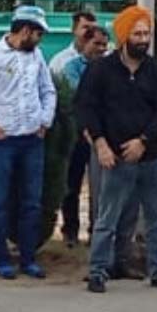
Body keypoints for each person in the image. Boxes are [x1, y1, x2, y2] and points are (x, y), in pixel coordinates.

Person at [78, 5, 157, 294]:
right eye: (137, 34)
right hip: (115, 156)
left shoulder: (156, 70)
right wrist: (100, 143)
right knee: (107, 217)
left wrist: (144, 140)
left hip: (151, 156)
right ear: (124, 36)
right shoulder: (101, 69)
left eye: (146, 34)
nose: (143, 39)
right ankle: (98, 271)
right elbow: (86, 108)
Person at [0, 4, 58, 279]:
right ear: (26, 31)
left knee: (32, 201)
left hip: (32, 140)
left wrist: (45, 121)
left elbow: (48, 91)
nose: (40, 40)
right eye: (38, 34)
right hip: (2, 142)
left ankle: (28, 259)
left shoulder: (36, 57)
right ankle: (1, 259)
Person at [59, 24, 108, 247]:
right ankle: (70, 230)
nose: (101, 49)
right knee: (72, 183)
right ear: (85, 43)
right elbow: (81, 96)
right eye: (96, 44)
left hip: (103, 135)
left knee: (101, 186)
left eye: (104, 45)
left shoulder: (111, 67)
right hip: (77, 134)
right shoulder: (72, 67)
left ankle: (97, 230)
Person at [49, 10, 97, 80]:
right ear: (74, 29)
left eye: (94, 28)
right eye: (86, 27)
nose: (91, 31)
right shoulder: (59, 61)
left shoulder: (105, 58)